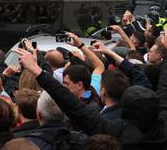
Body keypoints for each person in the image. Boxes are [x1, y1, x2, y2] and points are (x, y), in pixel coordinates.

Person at [18, 43, 167, 150]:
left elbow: (72, 105)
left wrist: (37, 71)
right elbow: (159, 86)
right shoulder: (162, 122)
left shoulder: (114, 130)